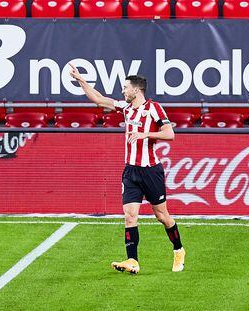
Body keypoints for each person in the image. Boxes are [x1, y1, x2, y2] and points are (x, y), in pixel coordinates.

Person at [69, 63, 185, 274]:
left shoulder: (154, 108)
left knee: (162, 216)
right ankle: (132, 260)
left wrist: (146, 135)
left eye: (125, 87)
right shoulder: (126, 108)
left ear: (136, 90)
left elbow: (170, 134)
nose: (122, 91)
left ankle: (178, 250)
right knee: (130, 216)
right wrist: (80, 80)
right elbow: (98, 99)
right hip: (131, 171)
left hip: (150, 170)